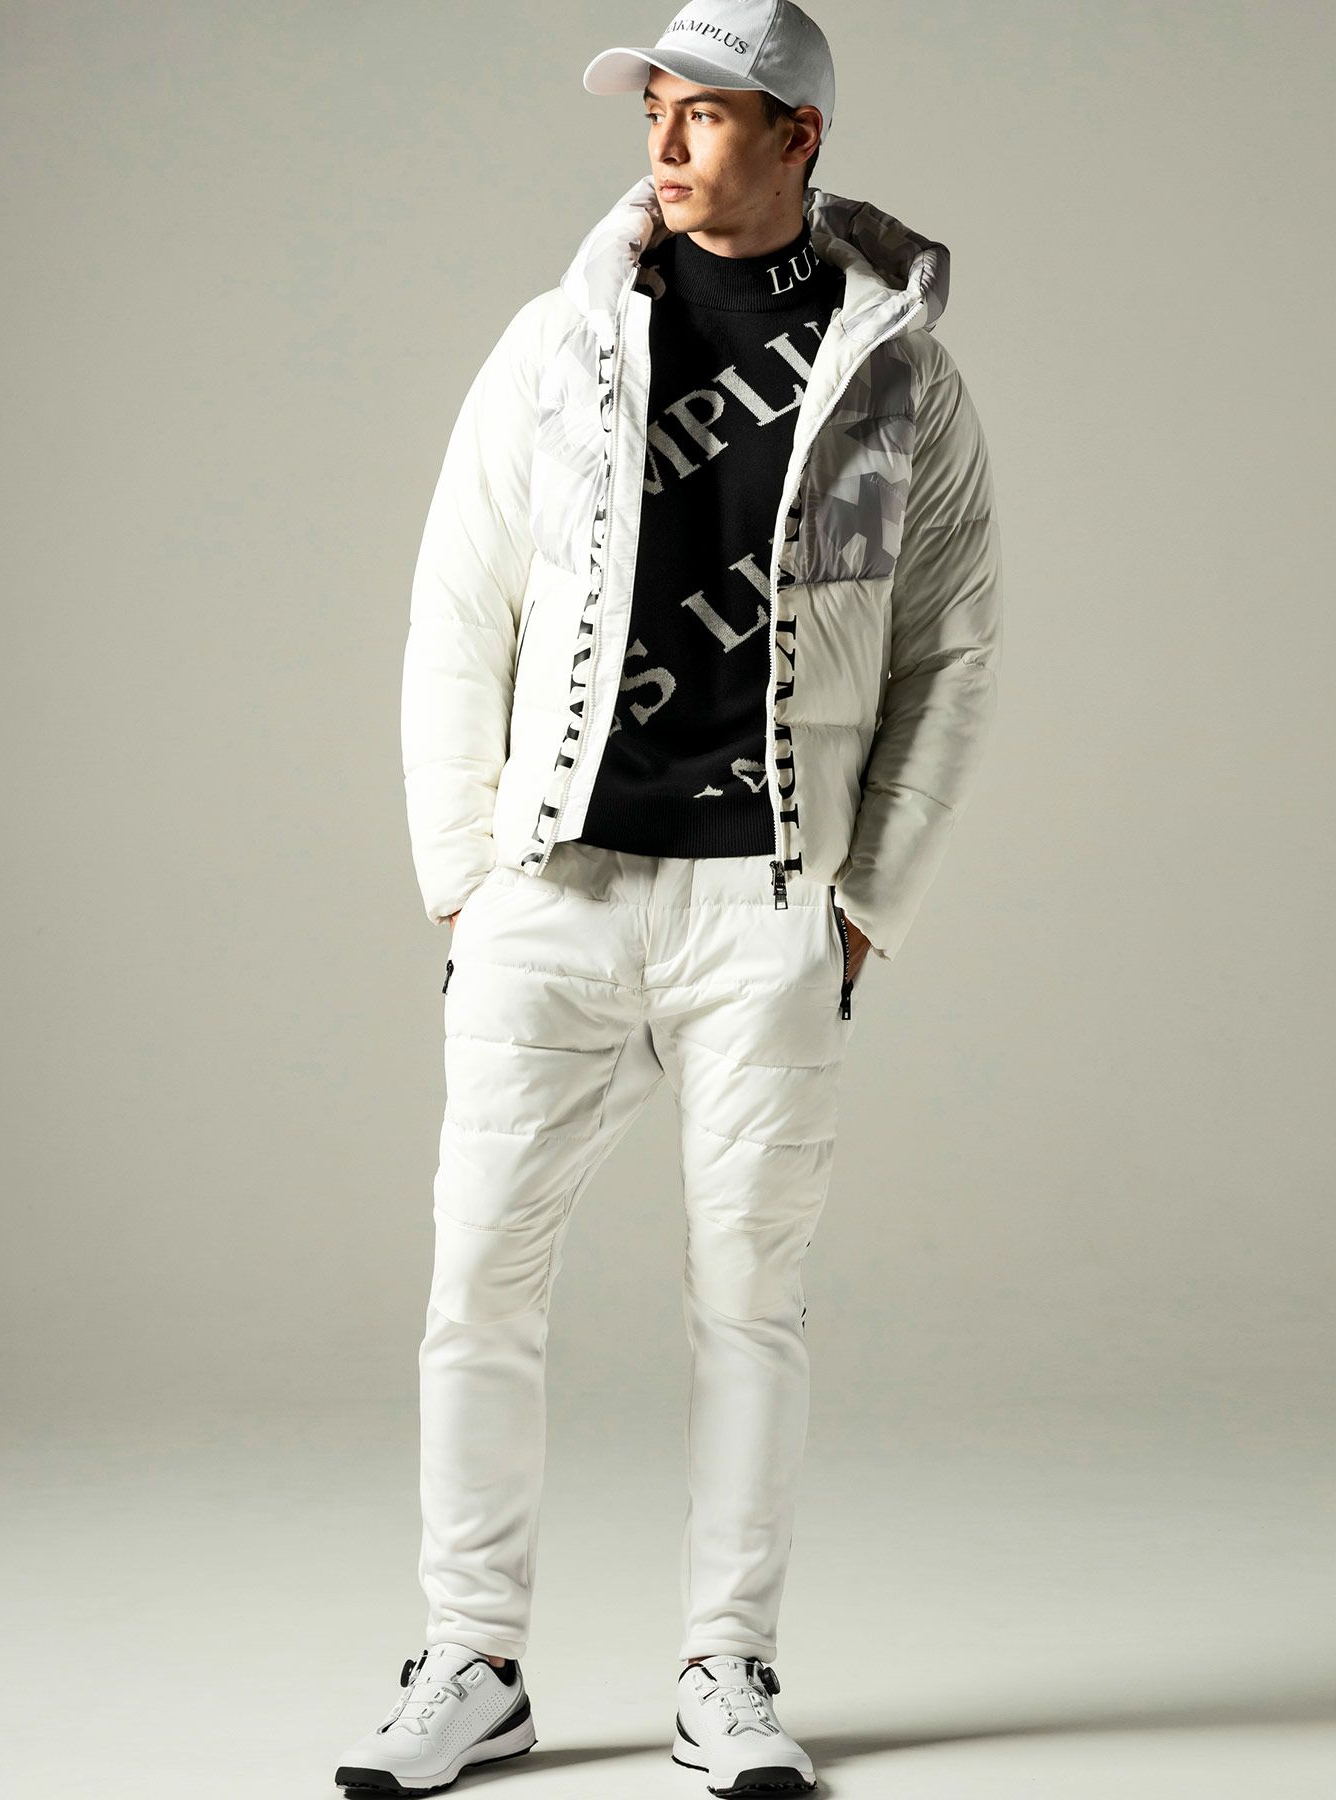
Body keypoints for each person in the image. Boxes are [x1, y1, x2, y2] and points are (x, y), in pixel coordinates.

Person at [336, 2, 1003, 1793]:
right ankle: (471, 1662)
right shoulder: (556, 342)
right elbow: (456, 615)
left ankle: (729, 1671)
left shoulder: (896, 379)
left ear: (798, 137)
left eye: (705, 112)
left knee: (751, 1305)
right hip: (550, 889)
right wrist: (462, 883)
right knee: (478, 1284)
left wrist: (867, 903)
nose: (664, 139)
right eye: (655, 108)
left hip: (764, 903)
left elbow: (949, 648)